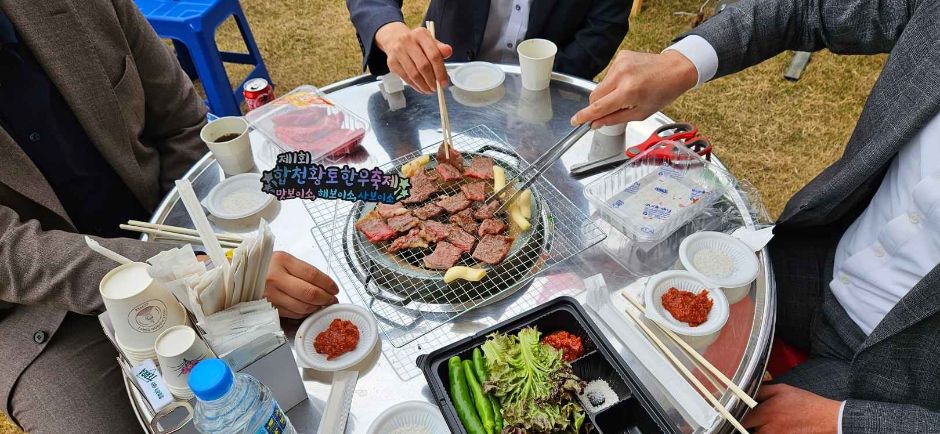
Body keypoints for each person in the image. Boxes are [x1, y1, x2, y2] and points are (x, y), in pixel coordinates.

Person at [573, 0, 940, 431]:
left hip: (897, 374)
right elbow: (809, 9)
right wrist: (680, 64)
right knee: (620, 295)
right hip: (824, 258)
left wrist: (843, 421)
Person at [0, 1, 338, 432]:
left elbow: (180, 123)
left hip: (173, 226)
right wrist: (201, 274)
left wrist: (198, 251)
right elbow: (13, 256)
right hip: (46, 315)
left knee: (306, 345)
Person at [346, 0, 631, 93]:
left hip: (545, 93)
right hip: (444, 79)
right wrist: (389, 31)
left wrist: (539, 88)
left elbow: (604, 27)